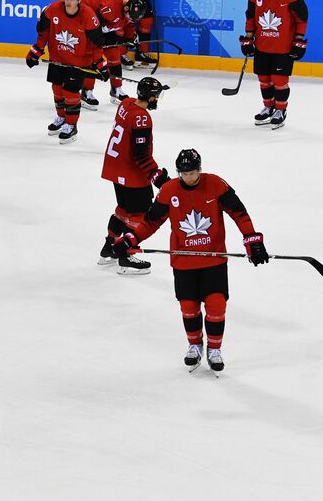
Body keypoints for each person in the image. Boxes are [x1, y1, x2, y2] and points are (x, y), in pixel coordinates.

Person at [113, 148, 268, 374]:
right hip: (183, 262)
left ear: (199, 169)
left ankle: (214, 349)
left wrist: (252, 239)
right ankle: (194, 344)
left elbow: (239, 213)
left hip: (213, 259)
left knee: (216, 305)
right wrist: (131, 239)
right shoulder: (168, 191)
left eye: (193, 172)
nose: (189, 177)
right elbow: (151, 221)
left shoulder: (216, 185)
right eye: (184, 173)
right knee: (189, 307)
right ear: (178, 173)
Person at [97, 76, 168, 274]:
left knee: (123, 210)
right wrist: (158, 176)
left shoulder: (126, 103)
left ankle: (108, 249)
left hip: (115, 168)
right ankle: (125, 256)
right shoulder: (142, 118)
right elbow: (141, 155)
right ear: (152, 98)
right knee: (139, 215)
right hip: (131, 174)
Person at [26, 0, 109, 144]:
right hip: (57, 60)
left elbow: (96, 44)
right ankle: (61, 118)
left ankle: (72, 126)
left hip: (78, 63)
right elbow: (43, 33)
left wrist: (100, 63)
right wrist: (35, 51)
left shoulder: (88, 16)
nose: (68, 2)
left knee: (71, 94)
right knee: (57, 90)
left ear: (79, 0)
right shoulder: (52, 10)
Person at [241, 0, 309, 129]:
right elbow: (250, 17)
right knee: (264, 79)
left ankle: (280, 110)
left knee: (279, 80)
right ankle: (268, 107)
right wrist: (248, 38)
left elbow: (302, 19)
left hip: (283, 46)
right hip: (263, 45)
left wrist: (298, 41)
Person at [84, 0, 146, 105]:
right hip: (92, 20)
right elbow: (95, 30)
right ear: (126, 8)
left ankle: (116, 89)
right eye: (128, 15)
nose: (129, 18)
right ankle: (87, 91)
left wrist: (129, 38)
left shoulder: (134, 1)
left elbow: (129, 22)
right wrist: (99, 52)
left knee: (114, 55)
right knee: (92, 57)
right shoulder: (109, 8)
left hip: (107, 22)